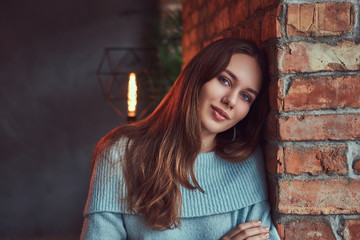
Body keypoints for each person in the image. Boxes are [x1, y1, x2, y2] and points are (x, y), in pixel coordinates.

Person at [80, 38, 280, 240]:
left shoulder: (246, 161)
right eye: (225, 80)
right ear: (198, 76)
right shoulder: (120, 153)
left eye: (246, 96)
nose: (231, 100)